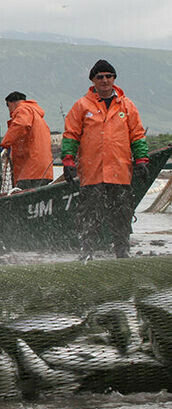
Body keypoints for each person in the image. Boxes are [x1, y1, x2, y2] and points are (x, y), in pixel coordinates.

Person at [62, 59, 149, 259]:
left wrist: (142, 160)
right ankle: (87, 250)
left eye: (108, 76)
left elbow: (137, 135)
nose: (104, 80)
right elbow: (71, 135)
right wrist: (67, 161)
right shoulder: (82, 106)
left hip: (120, 171)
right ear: (93, 80)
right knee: (89, 214)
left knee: (122, 214)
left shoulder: (127, 106)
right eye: (99, 77)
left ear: (114, 79)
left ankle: (122, 250)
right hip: (92, 172)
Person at [0, 92, 53, 190]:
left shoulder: (23, 110)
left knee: (23, 196)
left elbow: (21, 125)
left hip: (31, 170)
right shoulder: (35, 114)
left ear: (12, 103)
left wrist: (5, 144)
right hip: (43, 168)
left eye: (8, 106)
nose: (9, 111)